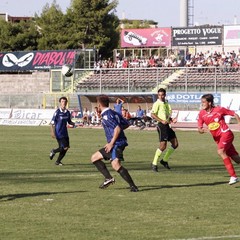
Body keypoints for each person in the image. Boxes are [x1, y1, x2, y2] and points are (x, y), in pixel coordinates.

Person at [91, 95, 138, 192]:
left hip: (117, 143)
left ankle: (133, 186)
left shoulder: (107, 115)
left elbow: (117, 128)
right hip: (115, 142)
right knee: (94, 158)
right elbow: (126, 124)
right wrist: (116, 135)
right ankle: (108, 178)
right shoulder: (113, 112)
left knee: (115, 164)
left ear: (99, 105)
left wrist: (112, 142)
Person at [198, 93, 240, 185]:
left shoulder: (219, 109)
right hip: (218, 139)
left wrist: (239, 123)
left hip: (226, 133)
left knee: (221, 151)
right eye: (201, 102)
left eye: (204, 102)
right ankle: (234, 176)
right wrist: (204, 130)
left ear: (209, 103)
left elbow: (234, 114)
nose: (202, 104)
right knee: (236, 159)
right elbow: (199, 129)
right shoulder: (201, 114)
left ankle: (233, 176)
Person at [151, 88, 178, 172]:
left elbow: (167, 115)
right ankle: (154, 163)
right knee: (163, 146)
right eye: (159, 95)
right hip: (161, 126)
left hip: (167, 125)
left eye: (162, 95)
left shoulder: (166, 103)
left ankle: (164, 160)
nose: (161, 96)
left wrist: (171, 120)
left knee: (175, 144)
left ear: (165, 95)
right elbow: (152, 114)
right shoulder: (157, 103)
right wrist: (161, 120)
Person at [49, 97, 75, 165]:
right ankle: (54, 151)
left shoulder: (67, 112)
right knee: (65, 147)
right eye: (62, 101)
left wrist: (73, 123)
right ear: (60, 102)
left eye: (65, 101)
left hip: (65, 133)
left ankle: (58, 161)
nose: (64, 103)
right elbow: (52, 123)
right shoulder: (57, 112)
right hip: (59, 132)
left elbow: (69, 122)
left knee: (65, 148)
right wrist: (52, 132)